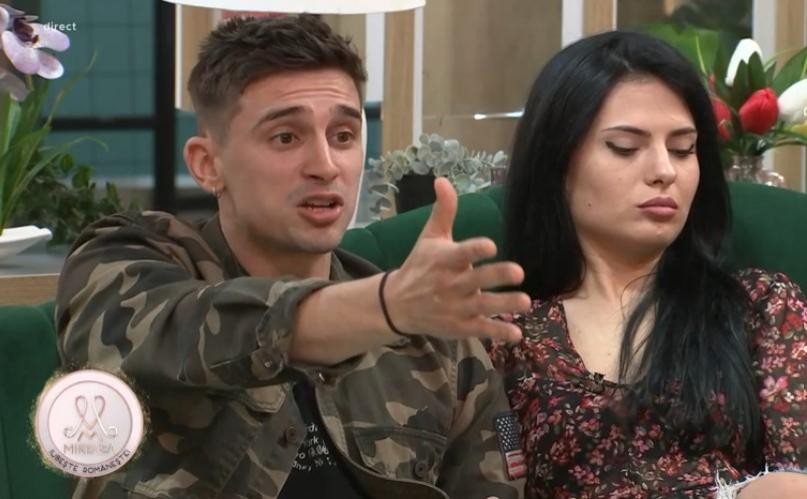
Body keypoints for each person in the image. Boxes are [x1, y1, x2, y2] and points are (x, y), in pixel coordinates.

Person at [56, 14, 531, 499]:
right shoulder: (122, 261)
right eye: (286, 137)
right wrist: (386, 308)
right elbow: (184, 334)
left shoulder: (433, 341)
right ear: (207, 164)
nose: (325, 166)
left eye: (343, 136)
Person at [488, 31, 807, 499]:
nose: (665, 170)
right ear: (556, 161)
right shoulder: (503, 335)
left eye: (683, 149)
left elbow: (795, 478)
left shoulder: (759, 308)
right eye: (625, 147)